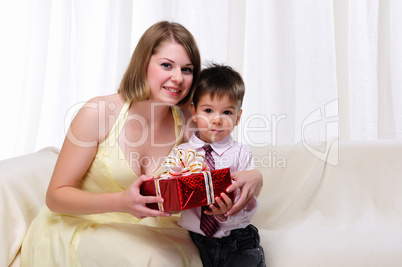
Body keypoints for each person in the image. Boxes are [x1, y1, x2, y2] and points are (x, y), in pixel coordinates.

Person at [21, 21, 263, 266]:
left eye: (187, 70)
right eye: (167, 65)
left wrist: (254, 177)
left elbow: (224, 161)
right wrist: (120, 202)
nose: (178, 78)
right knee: (152, 261)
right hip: (86, 224)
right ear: (143, 64)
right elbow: (55, 197)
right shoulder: (99, 112)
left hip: (154, 230)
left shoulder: (189, 121)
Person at [177, 63, 265, 267]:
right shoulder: (181, 154)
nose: (217, 120)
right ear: (194, 112)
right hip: (196, 241)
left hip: (238, 240)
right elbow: (172, 189)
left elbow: (248, 200)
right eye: (208, 110)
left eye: (226, 112)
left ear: (238, 118)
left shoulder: (241, 154)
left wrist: (229, 212)